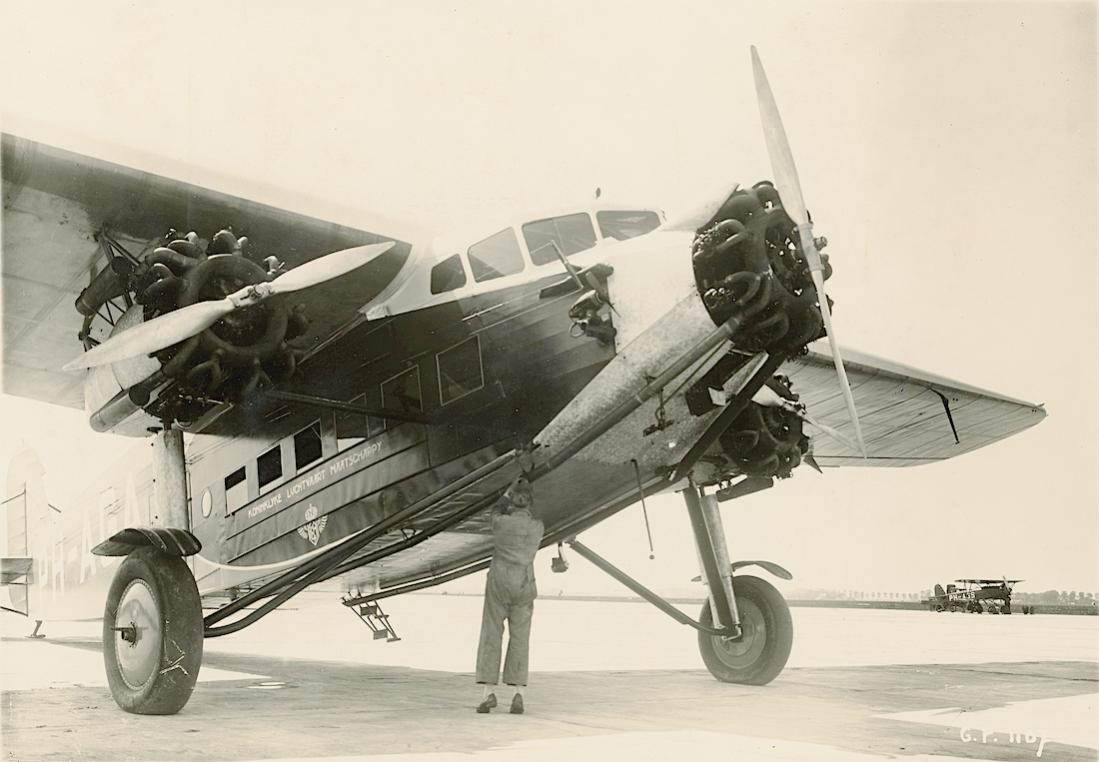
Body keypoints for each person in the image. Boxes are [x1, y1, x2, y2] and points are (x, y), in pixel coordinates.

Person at [475, 475, 544, 714]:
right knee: (520, 639)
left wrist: (506, 494)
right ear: (530, 504)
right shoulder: (538, 527)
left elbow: (495, 511)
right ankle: (518, 695)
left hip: (499, 581)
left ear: (513, 501)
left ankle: (488, 694)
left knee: (492, 634)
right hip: (525, 583)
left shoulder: (501, 523)